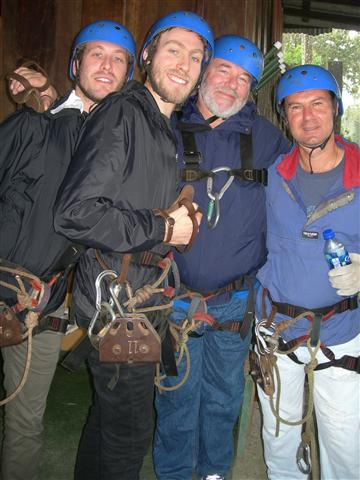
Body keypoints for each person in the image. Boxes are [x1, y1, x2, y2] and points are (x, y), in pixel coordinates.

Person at [53, 11, 214, 480]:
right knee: (128, 437)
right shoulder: (124, 112)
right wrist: (164, 230)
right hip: (117, 298)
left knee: (108, 422)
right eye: (173, 51)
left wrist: (177, 218)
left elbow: (130, 200)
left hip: (137, 294)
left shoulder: (162, 125)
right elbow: (76, 212)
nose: (184, 65)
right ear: (147, 57)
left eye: (195, 57)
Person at [0, 20, 136, 480]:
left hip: (44, 305)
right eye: (96, 54)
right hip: (8, 284)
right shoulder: (33, 124)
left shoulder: (118, 143)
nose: (107, 65)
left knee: (24, 422)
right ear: (76, 63)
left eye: (118, 58)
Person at [152, 35, 291, 480]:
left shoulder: (268, 140)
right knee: (175, 393)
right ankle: (174, 473)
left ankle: (214, 471)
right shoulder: (165, 127)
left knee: (224, 394)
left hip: (235, 299)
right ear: (203, 73)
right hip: (173, 294)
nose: (232, 85)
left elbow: (304, 194)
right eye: (224, 71)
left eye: (244, 78)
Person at [254, 65, 360, 479]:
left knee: (344, 441)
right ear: (285, 117)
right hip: (276, 328)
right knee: (279, 435)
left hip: (342, 332)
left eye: (318, 104)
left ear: (336, 108)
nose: (308, 117)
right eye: (295, 108)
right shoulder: (271, 176)